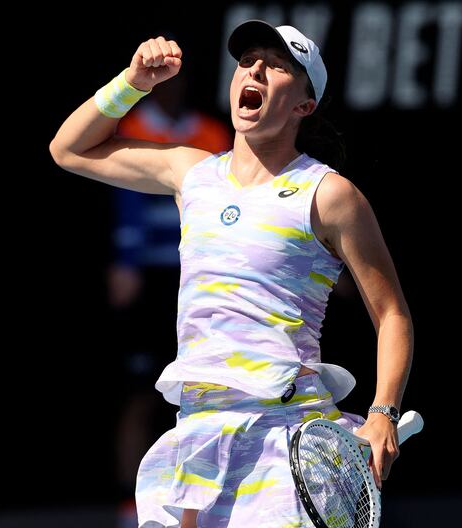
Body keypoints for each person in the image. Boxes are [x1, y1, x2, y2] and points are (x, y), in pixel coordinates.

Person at [50, 19, 413, 528]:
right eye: (247, 63)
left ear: (304, 106)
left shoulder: (329, 195)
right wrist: (133, 83)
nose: (256, 71)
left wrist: (383, 414)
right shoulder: (191, 173)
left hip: (286, 435)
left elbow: (392, 314)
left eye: (278, 66)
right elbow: (68, 149)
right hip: (198, 429)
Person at [106, 56, 233, 516]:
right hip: (149, 282)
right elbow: (125, 200)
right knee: (139, 395)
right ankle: (128, 503)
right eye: (163, 83)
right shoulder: (134, 125)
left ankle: (197, 507)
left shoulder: (214, 135)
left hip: (197, 283)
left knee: (203, 395)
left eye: (178, 83)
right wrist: (126, 261)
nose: (170, 91)